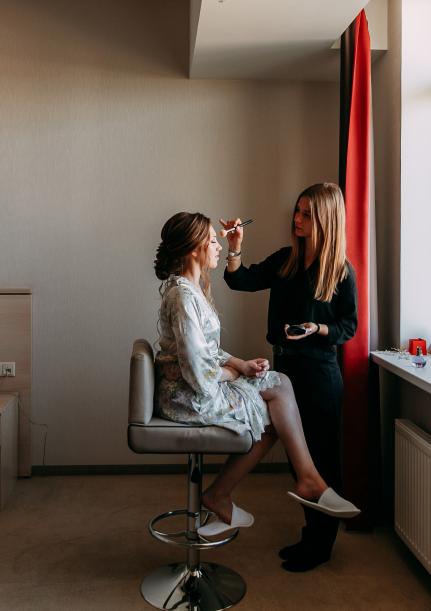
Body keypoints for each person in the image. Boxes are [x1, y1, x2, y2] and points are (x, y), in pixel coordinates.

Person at [152, 211, 359, 547]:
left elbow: (203, 351)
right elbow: (200, 373)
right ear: (193, 249)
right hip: (187, 397)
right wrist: (233, 373)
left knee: (279, 386)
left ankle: (294, 482)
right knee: (276, 407)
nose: (218, 246)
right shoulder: (184, 297)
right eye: (213, 241)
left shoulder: (189, 290)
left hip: (197, 386)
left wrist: (240, 364)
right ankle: (275, 485)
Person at [220, 182, 358, 572]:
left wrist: (318, 329)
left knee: (321, 461)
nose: (297, 219)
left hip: (319, 373)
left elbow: (349, 326)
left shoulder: (340, 271)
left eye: (307, 214)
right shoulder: (286, 260)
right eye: (297, 211)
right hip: (286, 370)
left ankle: (320, 545)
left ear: (326, 220)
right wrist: (235, 247)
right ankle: (311, 535)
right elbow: (241, 280)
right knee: (300, 463)